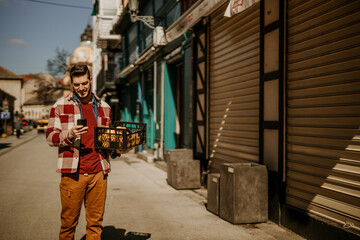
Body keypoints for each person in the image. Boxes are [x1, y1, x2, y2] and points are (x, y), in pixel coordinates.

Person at [46, 64, 130, 240]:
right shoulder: (60, 106)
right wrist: (68, 135)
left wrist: (119, 149)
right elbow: (50, 137)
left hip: (99, 173)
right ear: (72, 84)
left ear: (90, 80)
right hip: (72, 174)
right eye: (76, 84)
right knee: (68, 224)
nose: (81, 88)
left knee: (95, 223)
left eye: (84, 83)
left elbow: (106, 141)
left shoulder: (104, 107)